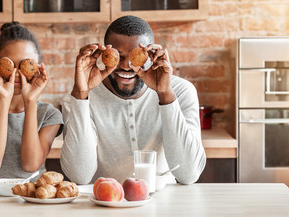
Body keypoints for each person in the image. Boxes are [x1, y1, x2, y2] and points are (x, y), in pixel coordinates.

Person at [60, 15, 206, 185]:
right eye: (118, 56)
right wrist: (81, 95)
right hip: (105, 203)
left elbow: (189, 174)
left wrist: (165, 95)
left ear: (151, 55)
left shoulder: (180, 92)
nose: (126, 66)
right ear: (105, 54)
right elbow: (79, 176)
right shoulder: (79, 98)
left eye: (136, 56)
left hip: (164, 201)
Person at [0, 22, 63, 184]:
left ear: (38, 67)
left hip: (32, 199)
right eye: (9, 65)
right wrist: (3, 101)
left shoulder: (49, 114)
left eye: (25, 65)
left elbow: (30, 165)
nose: (16, 74)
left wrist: (30, 102)